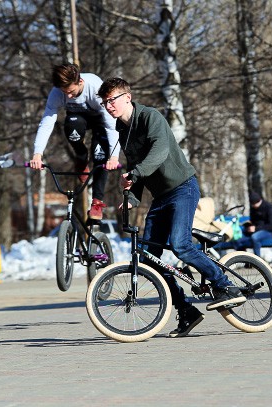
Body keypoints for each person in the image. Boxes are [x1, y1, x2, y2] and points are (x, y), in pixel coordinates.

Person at [97, 77, 246, 338]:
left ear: (127, 97)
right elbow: (138, 171)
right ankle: (186, 309)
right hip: (161, 197)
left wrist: (136, 172)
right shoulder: (123, 131)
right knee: (149, 259)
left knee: (181, 245)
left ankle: (226, 285)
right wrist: (131, 198)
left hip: (183, 188)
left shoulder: (150, 117)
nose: (109, 106)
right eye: (104, 102)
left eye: (112, 100)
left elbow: (160, 150)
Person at [29, 63, 121, 221]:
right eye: (65, 92)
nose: (68, 96)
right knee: (72, 125)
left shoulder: (96, 88)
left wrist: (114, 156)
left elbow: (111, 125)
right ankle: (81, 155)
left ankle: (97, 202)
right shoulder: (57, 93)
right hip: (78, 119)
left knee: (101, 156)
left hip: (101, 121)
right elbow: (47, 122)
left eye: (71, 91)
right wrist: (37, 153)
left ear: (80, 82)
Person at [232, 191, 272, 257]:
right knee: (237, 239)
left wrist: (256, 228)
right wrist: (249, 226)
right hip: (254, 231)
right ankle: (246, 260)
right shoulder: (253, 209)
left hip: (269, 232)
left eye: (254, 204)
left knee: (255, 237)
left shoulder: (270, 208)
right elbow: (253, 222)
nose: (253, 206)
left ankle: (257, 261)